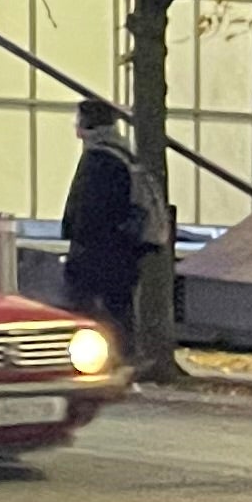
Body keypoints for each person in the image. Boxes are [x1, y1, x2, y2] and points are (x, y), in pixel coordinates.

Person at [61, 96, 157, 342]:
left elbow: (91, 211)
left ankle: (112, 360)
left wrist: (77, 241)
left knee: (92, 313)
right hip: (124, 249)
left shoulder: (100, 159)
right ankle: (124, 355)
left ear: (88, 125)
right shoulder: (123, 154)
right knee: (120, 309)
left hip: (101, 252)